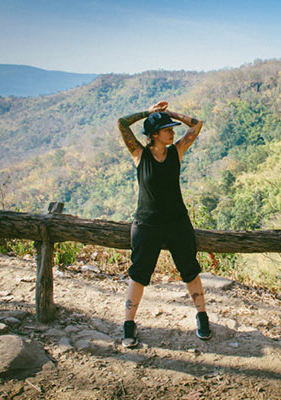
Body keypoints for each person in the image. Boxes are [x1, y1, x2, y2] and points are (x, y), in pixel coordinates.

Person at [117, 100, 210, 348]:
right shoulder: (140, 155)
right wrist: (148, 113)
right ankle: (128, 324)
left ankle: (202, 316)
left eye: (171, 129)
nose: (172, 132)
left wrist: (170, 114)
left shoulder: (176, 152)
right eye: (167, 129)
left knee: (190, 270)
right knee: (138, 274)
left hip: (177, 223)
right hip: (147, 224)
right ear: (154, 134)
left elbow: (197, 125)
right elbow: (122, 123)